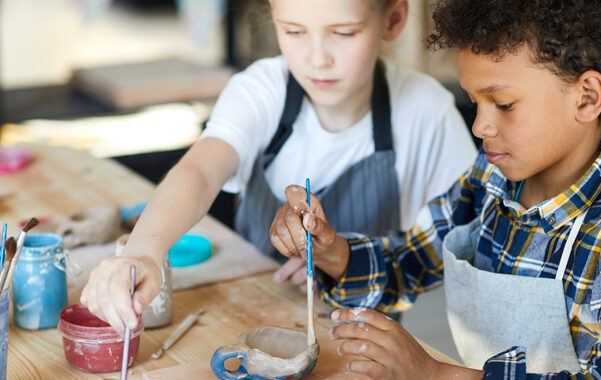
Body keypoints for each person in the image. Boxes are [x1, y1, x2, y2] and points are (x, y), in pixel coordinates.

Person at [270, 0, 601, 378]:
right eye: (475, 102)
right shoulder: (489, 180)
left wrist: (437, 374)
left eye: (503, 103)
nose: (480, 126)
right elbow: (408, 263)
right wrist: (330, 249)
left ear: (587, 98)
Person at [80, 0, 476, 333]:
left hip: (363, 344)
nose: (317, 58)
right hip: (245, 321)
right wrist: (143, 253)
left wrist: (338, 263)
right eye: (294, 31)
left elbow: (461, 240)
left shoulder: (427, 112)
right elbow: (199, 173)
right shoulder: (261, 90)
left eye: (344, 33)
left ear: (392, 20)